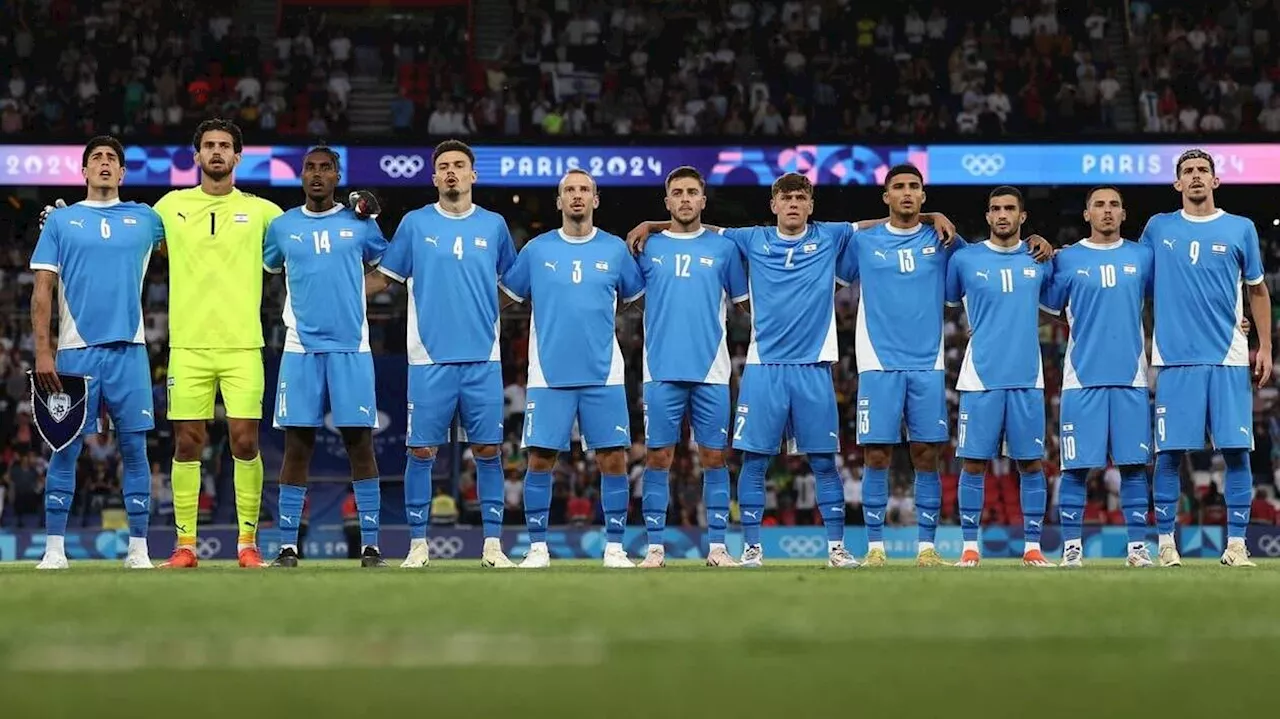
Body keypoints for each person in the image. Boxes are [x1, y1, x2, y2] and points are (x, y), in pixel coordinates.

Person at [368, 140, 520, 569]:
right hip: (428, 359)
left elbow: (512, 286)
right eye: (444, 167)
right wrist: (334, 295)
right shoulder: (415, 224)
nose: (452, 172)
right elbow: (384, 279)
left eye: (459, 166)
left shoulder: (494, 225)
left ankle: (493, 546)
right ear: (434, 178)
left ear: (473, 175)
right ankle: (418, 546)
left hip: (482, 359)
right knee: (420, 452)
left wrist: (483, 310)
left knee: (489, 450)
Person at [149, 119, 284, 568]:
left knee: (245, 442)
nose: (216, 152)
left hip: (243, 345)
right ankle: (185, 546)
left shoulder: (265, 211)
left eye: (225, 146)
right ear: (197, 156)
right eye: (208, 145)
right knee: (187, 443)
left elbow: (301, 240)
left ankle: (247, 543)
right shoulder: (170, 205)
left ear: (238, 157)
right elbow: (136, 239)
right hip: (187, 346)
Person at [499, 168, 645, 569]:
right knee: (540, 460)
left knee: (613, 460)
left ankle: (615, 547)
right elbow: (502, 298)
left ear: (595, 199)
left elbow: (639, 300)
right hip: (548, 375)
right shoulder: (536, 250)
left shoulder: (615, 250)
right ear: (559, 201)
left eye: (584, 190)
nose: (577, 196)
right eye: (570, 191)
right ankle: (538, 548)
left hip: (604, 373)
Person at [29, 136, 164, 570]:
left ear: (122, 173)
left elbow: (192, 245)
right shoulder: (60, 223)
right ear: (84, 172)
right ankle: (54, 549)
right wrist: (42, 351)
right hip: (73, 351)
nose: (104, 164)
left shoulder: (147, 219)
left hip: (130, 350)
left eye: (111, 159)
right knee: (64, 448)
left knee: (136, 450)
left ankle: (139, 549)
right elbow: (42, 290)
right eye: (96, 159)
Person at [1139, 148, 1272, 568]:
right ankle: (1165, 543)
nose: (1196, 177)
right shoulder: (1157, 229)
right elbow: (1132, 279)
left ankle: (1236, 545)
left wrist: (1264, 345)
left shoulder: (1241, 228)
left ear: (1216, 180)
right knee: (1169, 454)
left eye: (1203, 171)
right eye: (1188, 172)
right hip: (1175, 360)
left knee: (1236, 451)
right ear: (1177, 183)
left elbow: (1257, 290)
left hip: (1228, 357)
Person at [263, 146, 389, 569]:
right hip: (300, 347)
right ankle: (287, 546)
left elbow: (386, 272)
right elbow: (267, 267)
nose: (317, 175)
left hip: (352, 346)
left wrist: (355, 293)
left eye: (325, 169)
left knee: (360, 443)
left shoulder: (361, 223)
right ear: (301, 176)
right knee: (297, 446)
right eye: (310, 169)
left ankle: (371, 546)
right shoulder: (282, 227)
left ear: (338, 176)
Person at [633, 166, 749, 568]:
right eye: (677, 193)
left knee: (715, 459)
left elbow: (743, 304)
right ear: (667, 202)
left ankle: (717, 547)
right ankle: (654, 549)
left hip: (712, 373)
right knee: (657, 459)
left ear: (703, 200)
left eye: (692, 192)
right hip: (661, 371)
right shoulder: (647, 247)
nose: (685, 199)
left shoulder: (724, 249)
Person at [1041, 186, 1155, 568]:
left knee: (1134, 467)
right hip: (1082, 379)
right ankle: (1071, 547)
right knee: (1074, 467)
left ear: (1124, 214)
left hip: (1131, 378)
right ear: (1087, 214)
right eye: (1099, 205)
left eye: (1114, 205)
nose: (1107, 211)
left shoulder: (1143, 256)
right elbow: (1047, 306)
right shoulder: (1066, 259)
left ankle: (1137, 549)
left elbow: (1173, 299)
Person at [945, 186, 1055, 568]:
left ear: (1022, 217)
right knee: (973, 463)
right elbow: (944, 304)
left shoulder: (1041, 259)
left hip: (1027, 377)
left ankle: (1032, 548)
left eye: (1010, 208)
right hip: (979, 377)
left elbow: (1065, 306)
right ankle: (969, 549)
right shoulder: (964, 260)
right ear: (988, 216)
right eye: (995, 209)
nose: (1002, 214)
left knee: (1031, 464)